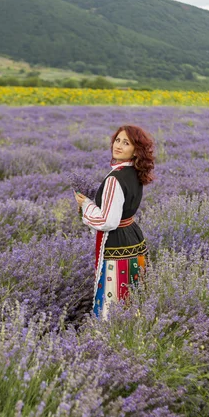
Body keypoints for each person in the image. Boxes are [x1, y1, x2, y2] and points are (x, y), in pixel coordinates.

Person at [74, 125, 155, 319]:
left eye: (126, 143)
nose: (118, 146)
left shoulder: (114, 179)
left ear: (136, 150)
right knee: (133, 294)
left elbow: (107, 221)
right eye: (117, 140)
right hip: (133, 237)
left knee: (113, 298)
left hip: (117, 242)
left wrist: (86, 205)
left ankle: (110, 337)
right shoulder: (135, 173)